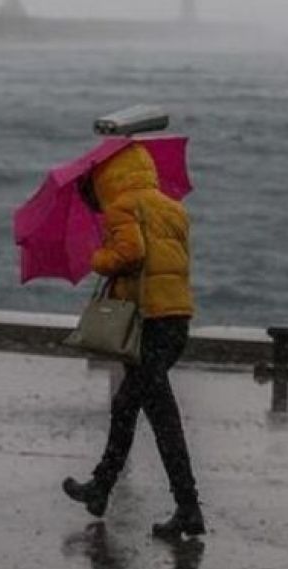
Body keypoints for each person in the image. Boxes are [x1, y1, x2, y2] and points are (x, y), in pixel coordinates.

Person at [63, 142, 205, 539]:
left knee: (143, 410)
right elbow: (171, 260)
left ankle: (183, 505)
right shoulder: (172, 207)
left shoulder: (123, 207)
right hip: (175, 319)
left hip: (147, 323)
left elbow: (131, 252)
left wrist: (99, 258)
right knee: (143, 410)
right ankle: (104, 489)